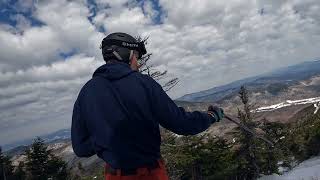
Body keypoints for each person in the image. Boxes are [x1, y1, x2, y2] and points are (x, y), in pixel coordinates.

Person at [71, 32, 224, 180]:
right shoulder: (143, 83)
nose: (137, 63)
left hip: (114, 175)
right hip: (149, 173)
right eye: (136, 56)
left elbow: (81, 148)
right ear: (126, 54)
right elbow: (181, 123)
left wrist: (107, 139)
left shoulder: (86, 93)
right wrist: (210, 117)